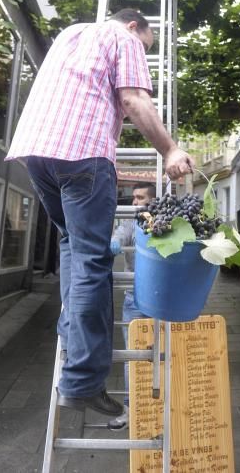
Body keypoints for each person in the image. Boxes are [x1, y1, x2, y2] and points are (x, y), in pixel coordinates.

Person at [5, 9, 194, 417]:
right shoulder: (123, 39)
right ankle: (83, 382)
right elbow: (132, 98)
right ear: (133, 26)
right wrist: (170, 149)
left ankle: (71, 333)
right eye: (146, 45)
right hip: (84, 153)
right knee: (93, 260)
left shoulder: (70, 33)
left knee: (73, 245)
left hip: (37, 153)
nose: (143, 52)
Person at [109, 181, 156, 430]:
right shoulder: (131, 220)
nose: (135, 202)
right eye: (134, 198)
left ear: (152, 200)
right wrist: (115, 241)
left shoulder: (164, 219)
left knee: (161, 355)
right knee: (132, 357)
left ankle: (161, 409)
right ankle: (131, 410)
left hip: (161, 299)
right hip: (134, 298)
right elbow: (120, 233)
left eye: (140, 198)